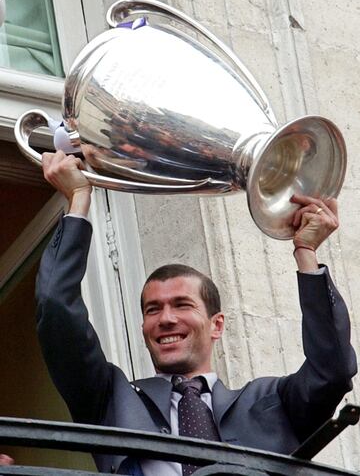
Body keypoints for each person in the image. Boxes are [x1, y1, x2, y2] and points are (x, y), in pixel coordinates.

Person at [36, 150, 357, 475]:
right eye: (153, 309)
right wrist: (78, 199)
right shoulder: (110, 398)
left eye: (182, 305)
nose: (166, 319)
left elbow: (332, 370)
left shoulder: (272, 401)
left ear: (216, 325)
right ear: (143, 327)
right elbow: (56, 310)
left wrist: (306, 251)